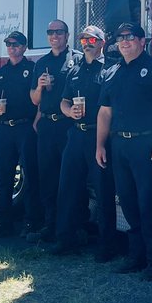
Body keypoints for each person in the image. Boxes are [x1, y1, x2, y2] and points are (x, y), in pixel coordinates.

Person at [96, 22, 152, 280]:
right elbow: (105, 113)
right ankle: (136, 256)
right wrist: (99, 144)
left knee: (147, 203)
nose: (125, 41)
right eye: (121, 38)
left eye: (130, 37)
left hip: (146, 146)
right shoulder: (111, 73)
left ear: (143, 41)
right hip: (119, 145)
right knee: (128, 202)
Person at [52, 25, 118, 259]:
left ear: (103, 42)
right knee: (67, 187)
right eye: (83, 40)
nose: (86, 43)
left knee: (103, 191)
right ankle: (65, 239)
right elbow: (63, 102)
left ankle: (107, 245)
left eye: (91, 39)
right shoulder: (75, 69)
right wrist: (70, 112)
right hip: (76, 134)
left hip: (100, 137)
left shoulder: (112, 68)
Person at [0, 30, 42, 239]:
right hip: (4, 129)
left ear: (24, 47)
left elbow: (40, 98)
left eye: (16, 44)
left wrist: (36, 121)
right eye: (8, 44)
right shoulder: (0, 72)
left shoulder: (32, 68)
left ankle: (32, 222)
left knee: (31, 177)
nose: (12, 47)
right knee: (5, 177)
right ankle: (3, 223)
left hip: (26, 127)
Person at [29, 19, 79, 244]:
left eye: (59, 32)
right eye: (50, 32)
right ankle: (50, 225)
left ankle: (73, 227)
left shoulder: (76, 59)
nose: (54, 35)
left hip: (69, 126)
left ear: (67, 35)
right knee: (47, 177)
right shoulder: (41, 63)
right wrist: (39, 86)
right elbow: (34, 99)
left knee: (70, 179)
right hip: (47, 125)